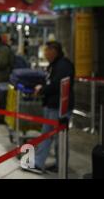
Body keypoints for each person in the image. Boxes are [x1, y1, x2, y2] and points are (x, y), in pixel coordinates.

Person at [23, 41, 75, 174]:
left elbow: (57, 85)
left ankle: (48, 163)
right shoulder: (55, 65)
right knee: (49, 135)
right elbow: (50, 81)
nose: (45, 53)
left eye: (47, 50)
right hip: (52, 106)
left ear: (54, 51)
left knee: (56, 137)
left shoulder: (63, 65)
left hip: (58, 108)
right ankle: (52, 163)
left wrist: (42, 90)